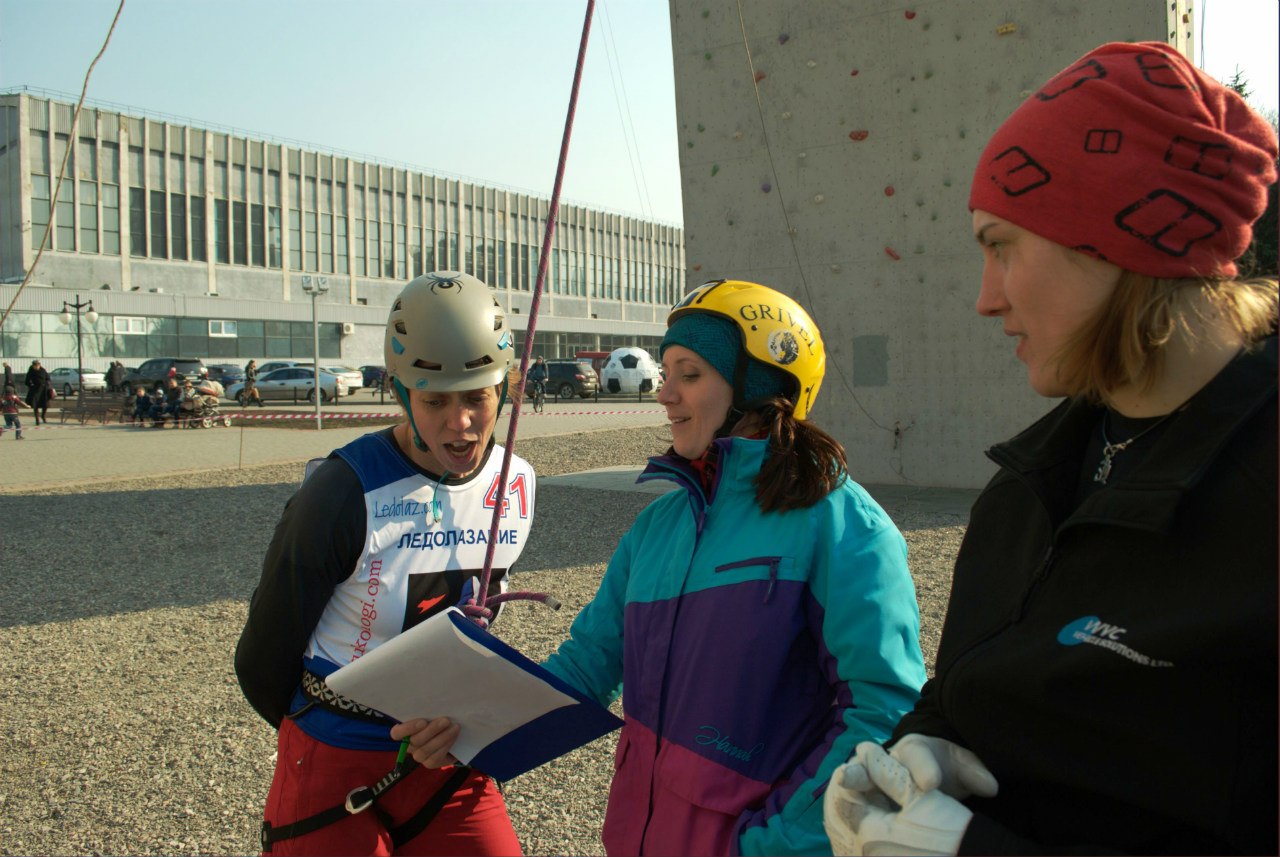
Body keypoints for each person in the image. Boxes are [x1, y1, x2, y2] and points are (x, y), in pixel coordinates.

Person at [823, 41, 1278, 857]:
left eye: (1001, 244)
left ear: (1115, 244)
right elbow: (969, 689)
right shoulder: (1027, 488)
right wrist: (913, 752)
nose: (984, 298)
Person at [398, 279, 927, 856]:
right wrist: (469, 726)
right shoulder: (657, 528)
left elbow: (885, 715)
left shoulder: (843, 526)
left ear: (760, 389)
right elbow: (585, 666)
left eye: (690, 374)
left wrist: (770, 847)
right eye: (666, 372)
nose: (664, 393)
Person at [235, 271, 535, 856]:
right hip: (336, 748)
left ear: (505, 387)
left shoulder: (518, 482)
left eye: (478, 395)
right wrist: (328, 728)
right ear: (399, 392)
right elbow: (262, 658)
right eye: (434, 400)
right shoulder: (342, 490)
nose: (462, 422)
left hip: (447, 749)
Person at [23, 360, 51, 425]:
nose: (37, 367)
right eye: (35, 365)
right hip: (35, 390)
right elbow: (27, 381)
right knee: (36, 405)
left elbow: (48, 378)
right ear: (33, 366)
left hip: (43, 390)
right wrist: (31, 385)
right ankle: (37, 419)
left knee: (45, 405)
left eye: (38, 365)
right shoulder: (31, 371)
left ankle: (43, 416)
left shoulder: (43, 370)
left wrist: (47, 383)